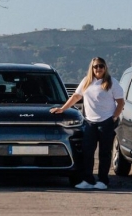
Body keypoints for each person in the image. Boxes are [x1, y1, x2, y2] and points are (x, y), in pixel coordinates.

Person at [50, 57, 124, 190]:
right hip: (90, 122)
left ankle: (103, 181)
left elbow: (120, 102)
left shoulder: (112, 82)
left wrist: (114, 117)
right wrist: (62, 109)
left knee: (104, 153)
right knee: (87, 151)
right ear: (92, 68)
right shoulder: (86, 81)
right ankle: (88, 180)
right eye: (96, 66)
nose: (98, 69)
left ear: (105, 68)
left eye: (101, 66)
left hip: (106, 122)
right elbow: (76, 96)